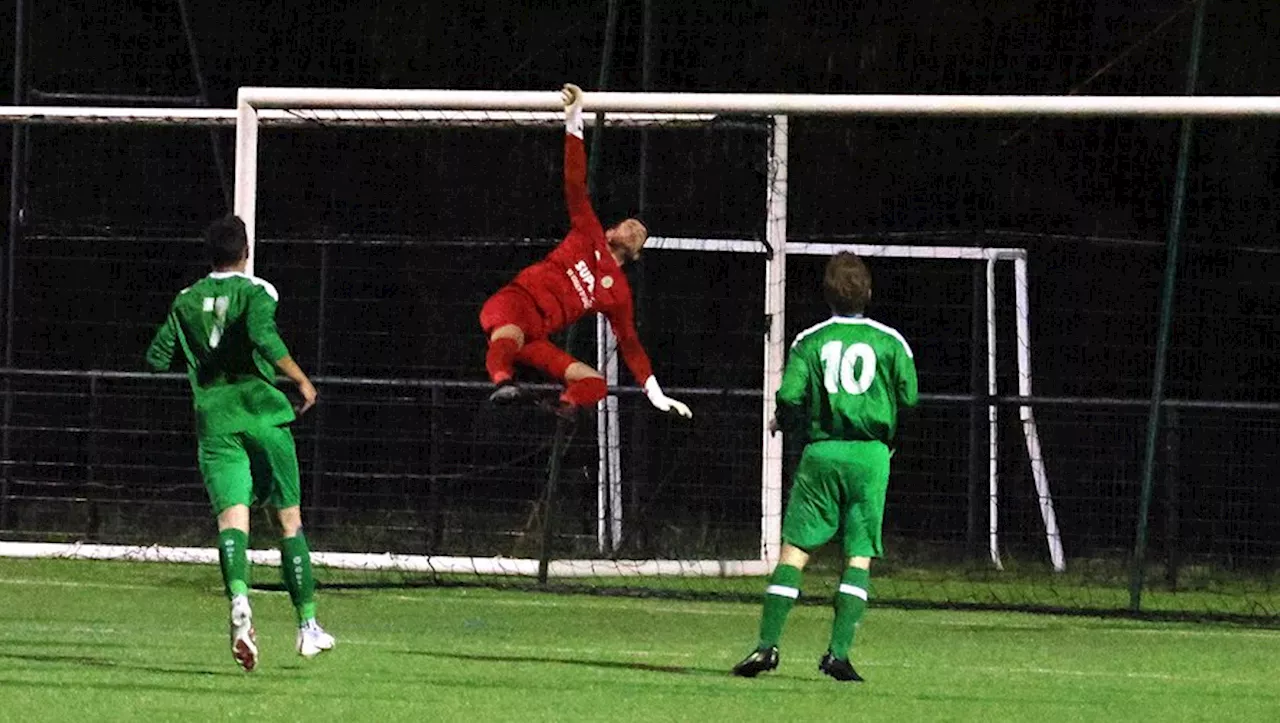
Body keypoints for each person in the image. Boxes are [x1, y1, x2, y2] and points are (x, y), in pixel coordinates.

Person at [145, 215, 334, 672]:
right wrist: (303, 382)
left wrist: (200, 363)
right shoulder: (258, 292)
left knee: (233, 519)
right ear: (246, 251)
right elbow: (262, 336)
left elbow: (156, 357)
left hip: (215, 420)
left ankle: (240, 602)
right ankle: (307, 626)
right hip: (264, 417)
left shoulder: (185, 300)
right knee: (288, 522)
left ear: (209, 253)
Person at [733, 252, 918, 682]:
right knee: (858, 556)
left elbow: (791, 396)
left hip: (822, 453)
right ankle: (837, 654)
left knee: (794, 552)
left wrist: (790, 422)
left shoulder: (809, 341)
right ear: (868, 293)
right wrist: (888, 438)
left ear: (826, 294)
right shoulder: (891, 341)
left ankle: (766, 647)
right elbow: (909, 399)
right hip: (871, 457)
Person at [480, 83, 692, 420]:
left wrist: (655, 391)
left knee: (596, 382)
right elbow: (574, 182)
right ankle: (503, 382)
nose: (636, 228)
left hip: (539, 332)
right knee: (510, 336)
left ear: (636, 255)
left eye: (641, 234)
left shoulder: (618, 292)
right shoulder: (587, 231)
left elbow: (630, 344)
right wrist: (574, 120)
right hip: (516, 303)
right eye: (630, 223)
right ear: (609, 231)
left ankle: (562, 406)